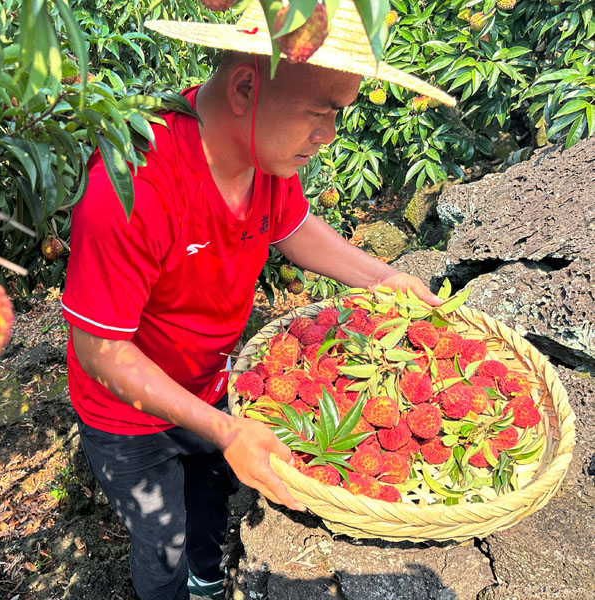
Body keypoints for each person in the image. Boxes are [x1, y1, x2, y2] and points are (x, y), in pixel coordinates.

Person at [60, 2, 457, 599]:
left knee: (211, 500)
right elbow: (101, 349)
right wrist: (225, 430)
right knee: (160, 540)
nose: (328, 137)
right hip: (128, 415)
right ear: (246, 87)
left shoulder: (262, 154)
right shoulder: (133, 186)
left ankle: (207, 579)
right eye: (320, 113)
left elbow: (295, 230)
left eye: (338, 116)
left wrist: (386, 278)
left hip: (212, 383)